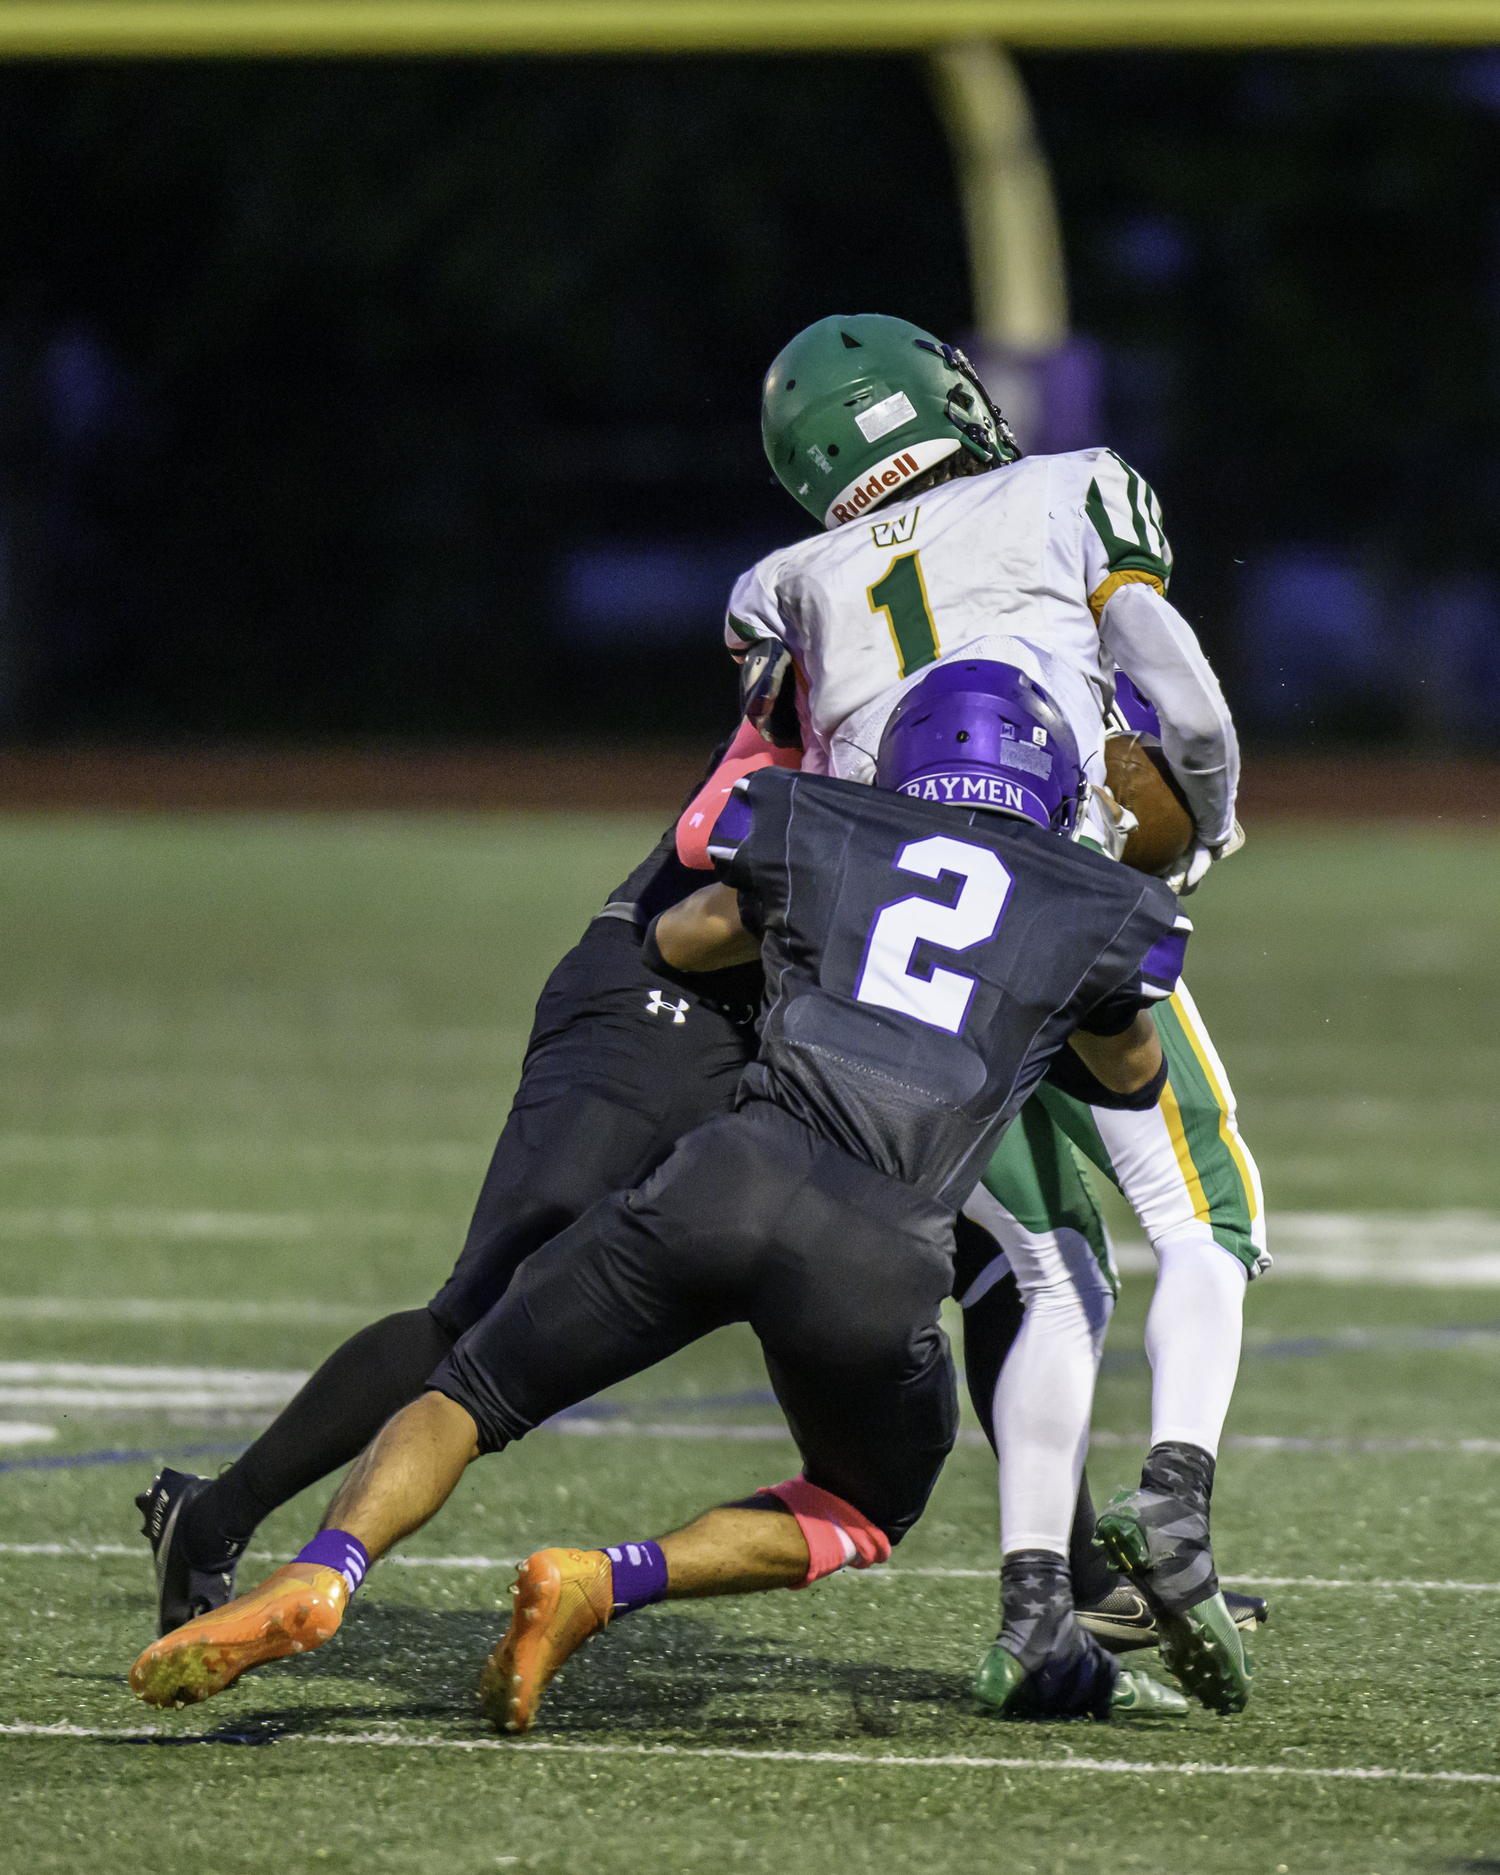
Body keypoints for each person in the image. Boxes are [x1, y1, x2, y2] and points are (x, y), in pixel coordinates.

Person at [129, 657, 1192, 1726]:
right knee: (863, 1503)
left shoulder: (816, 817)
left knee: (469, 1388)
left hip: (722, 1177)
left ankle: (324, 1569)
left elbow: (680, 938)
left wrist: (813, 943)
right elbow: (1135, 1075)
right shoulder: (1098, 907)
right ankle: (609, 1579)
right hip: (877, 1249)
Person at [713, 313, 1266, 1711]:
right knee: (1206, 1213)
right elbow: (1185, 706)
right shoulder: (1071, 485)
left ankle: (1036, 1602)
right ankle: (1180, 1495)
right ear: (939, 398)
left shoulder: (777, 583)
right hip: (1059, 898)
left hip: (891, 962)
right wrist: (1197, 831)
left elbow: (782, 786)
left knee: (1048, 1271)